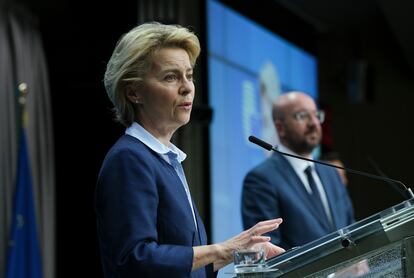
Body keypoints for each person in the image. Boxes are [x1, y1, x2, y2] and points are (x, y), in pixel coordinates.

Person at [95, 22, 285, 278]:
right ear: (134, 92)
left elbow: (180, 267)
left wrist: (238, 252)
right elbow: (133, 259)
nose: (187, 87)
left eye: (189, 75)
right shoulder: (130, 159)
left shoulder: (165, 160)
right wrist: (225, 250)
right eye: (171, 77)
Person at [241, 91, 354, 250]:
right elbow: (268, 250)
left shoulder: (332, 174)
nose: (314, 123)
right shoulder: (261, 179)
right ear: (280, 128)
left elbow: (351, 229)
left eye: (316, 115)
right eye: (303, 116)